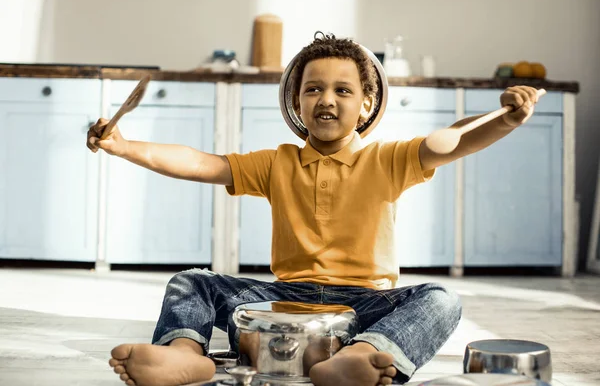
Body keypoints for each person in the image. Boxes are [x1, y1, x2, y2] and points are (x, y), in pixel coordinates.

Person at [87, 33, 542, 386]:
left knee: (441, 300)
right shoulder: (276, 162)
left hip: (368, 303)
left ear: (365, 104)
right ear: (297, 101)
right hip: (286, 299)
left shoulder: (388, 159)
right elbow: (201, 163)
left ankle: (358, 357)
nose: (327, 99)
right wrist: (124, 146)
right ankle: (187, 356)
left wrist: (505, 119)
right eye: (314, 89)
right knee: (193, 283)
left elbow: (454, 141)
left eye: (343, 90)